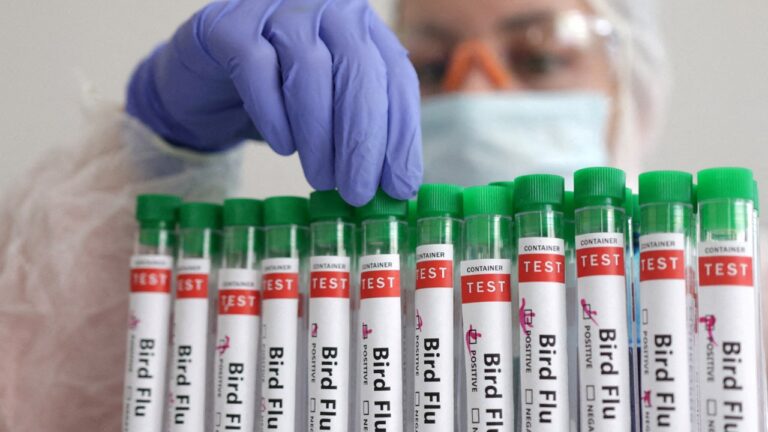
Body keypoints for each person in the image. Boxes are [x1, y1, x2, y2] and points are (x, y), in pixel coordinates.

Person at [0, 0, 674, 430]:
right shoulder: (292, 327)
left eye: (540, 55)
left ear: (632, 90)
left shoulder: (701, 306)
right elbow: (55, 399)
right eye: (427, 65)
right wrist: (161, 158)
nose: (472, 91)